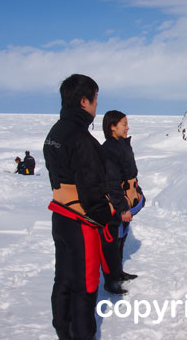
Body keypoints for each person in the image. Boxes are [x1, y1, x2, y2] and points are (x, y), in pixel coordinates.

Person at [43, 74, 121, 340]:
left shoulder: (55, 132)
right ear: (84, 101)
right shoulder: (82, 140)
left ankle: (63, 332)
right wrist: (107, 219)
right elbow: (91, 192)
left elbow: (56, 175)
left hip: (61, 218)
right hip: (81, 223)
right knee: (85, 286)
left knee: (63, 279)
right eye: (96, 98)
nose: (97, 104)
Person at [101, 110, 144, 292]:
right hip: (116, 203)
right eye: (124, 124)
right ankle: (110, 281)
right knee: (111, 241)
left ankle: (118, 272)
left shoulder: (123, 144)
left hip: (127, 196)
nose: (127, 127)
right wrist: (123, 208)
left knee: (121, 237)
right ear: (112, 126)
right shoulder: (109, 149)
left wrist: (137, 191)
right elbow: (111, 183)